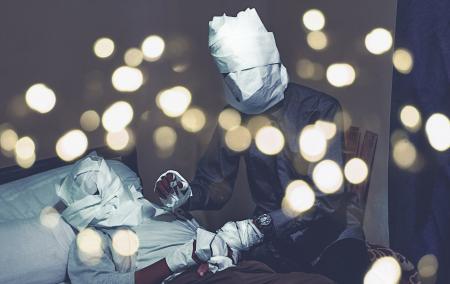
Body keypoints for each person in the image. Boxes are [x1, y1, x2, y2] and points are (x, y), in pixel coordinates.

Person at [155, 8, 369, 284]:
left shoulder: (320, 110)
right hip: (274, 243)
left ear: (270, 63)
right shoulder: (233, 118)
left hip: (330, 234)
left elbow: (325, 199)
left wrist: (261, 226)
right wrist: (187, 194)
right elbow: (216, 186)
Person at [66, 154, 334, 284]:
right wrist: (181, 258)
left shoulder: (153, 209)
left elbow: (205, 241)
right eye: (95, 192)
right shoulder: (92, 240)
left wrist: (185, 199)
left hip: (229, 270)